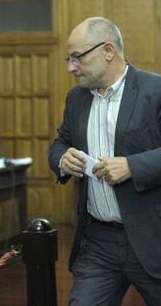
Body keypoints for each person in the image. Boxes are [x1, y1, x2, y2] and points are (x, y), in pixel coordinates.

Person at [48, 17, 161, 305]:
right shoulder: (76, 99)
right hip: (98, 242)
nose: (71, 68)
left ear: (108, 50)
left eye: (77, 58)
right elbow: (59, 143)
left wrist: (133, 166)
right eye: (68, 59)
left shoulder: (154, 90)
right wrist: (63, 157)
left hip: (152, 237)